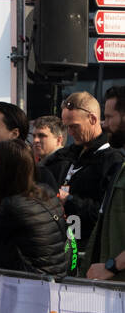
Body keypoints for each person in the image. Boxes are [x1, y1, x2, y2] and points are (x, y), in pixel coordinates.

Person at [0, 141, 72, 277]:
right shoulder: (46, 191)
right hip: (55, 277)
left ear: (3, 170)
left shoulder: (12, 206)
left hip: (28, 284)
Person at [42, 91, 123, 242]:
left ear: (92, 119)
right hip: (60, 248)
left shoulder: (113, 161)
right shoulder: (65, 156)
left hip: (86, 252)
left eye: (75, 127)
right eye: (67, 127)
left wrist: (69, 200)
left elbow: (106, 214)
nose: (71, 133)